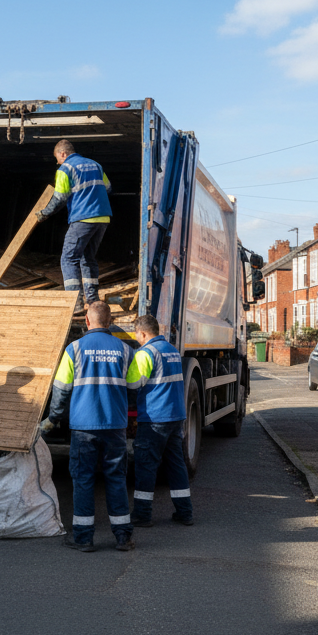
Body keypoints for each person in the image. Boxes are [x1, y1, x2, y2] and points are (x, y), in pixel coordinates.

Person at [40, 300, 134, 552]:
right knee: (116, 478)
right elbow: (135, 386)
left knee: (83, 480)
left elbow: (60, 390)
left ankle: (83, 538)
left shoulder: (74, 349)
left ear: (87, 321)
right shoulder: (125, 350)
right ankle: (123, 536)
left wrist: (54, 418)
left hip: (83, 427)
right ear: (111, 322)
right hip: (115, 425)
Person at [125, 315, 194, 527]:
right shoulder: (171, 350)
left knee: (146, 465)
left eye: (136, 334)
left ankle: (142, 515)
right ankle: (185, 513)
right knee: (176, 465)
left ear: (143, 333)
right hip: (175, 416)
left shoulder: (146, 353)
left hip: (155, 418)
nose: (136, 338)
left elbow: (133, 384)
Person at [36, 139, 111, 306]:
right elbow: (108, 188)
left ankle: (74, 303)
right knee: (88, 258)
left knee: (68, 259)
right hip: (103, 218)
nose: (57, 162)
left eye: (57, 158)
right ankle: (92, 301)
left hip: (82, 218)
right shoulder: (96, 165)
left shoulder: (66, 168)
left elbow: (59, 198)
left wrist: (44, 213)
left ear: (63, 154)